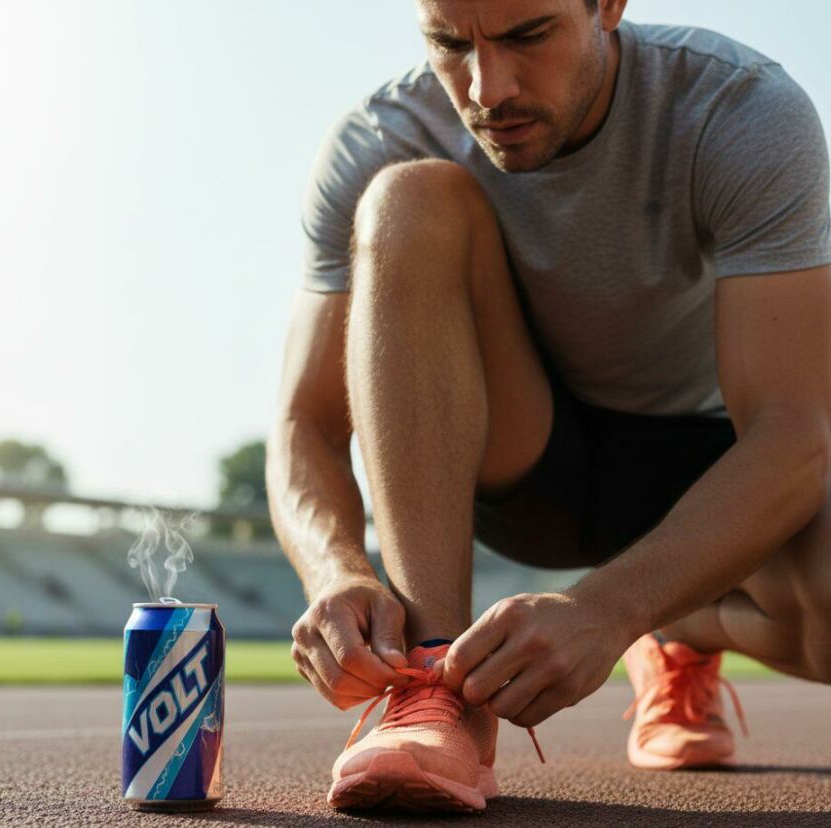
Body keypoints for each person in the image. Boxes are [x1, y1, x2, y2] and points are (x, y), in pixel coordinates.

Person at [266, 0, 831, 813]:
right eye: (450, 43)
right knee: (407, 197)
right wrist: (339, 570)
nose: (487, 87)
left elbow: (793, 436)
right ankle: (437, 691)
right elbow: (303, 423)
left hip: (712, 459)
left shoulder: (738, 110)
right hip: (519, 457)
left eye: (528, 35)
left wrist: (611, 611)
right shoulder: (381, 136)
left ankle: (679, 629)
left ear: (608, 6)